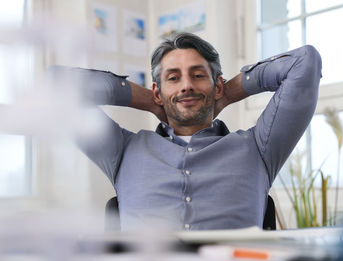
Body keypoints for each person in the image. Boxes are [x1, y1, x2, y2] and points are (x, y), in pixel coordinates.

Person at [48, 32, 322, 231]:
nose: (186, 85)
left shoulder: (259, 148)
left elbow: (304, 63)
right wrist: (148, 100)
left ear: (217, 86)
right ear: (158, 91)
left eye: (198, 75)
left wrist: (228, 94)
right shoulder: (123, 151)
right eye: (173, 78)